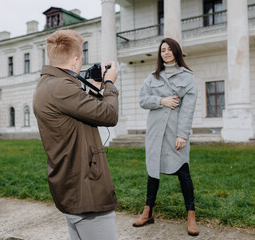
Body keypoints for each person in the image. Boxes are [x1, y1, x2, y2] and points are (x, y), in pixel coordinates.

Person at [33, 29, 119, 240]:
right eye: (81, 58)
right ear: (73, 61)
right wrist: (110, 84)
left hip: (70, 185)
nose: (81, 63)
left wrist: (93, 91)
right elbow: (109, 115)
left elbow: (76, 118)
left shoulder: (48, 84)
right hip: (87, 190)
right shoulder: (62, 87)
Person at [133, 38, 199, 236]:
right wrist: (161, 100)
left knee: (183, 173)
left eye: (170, 49)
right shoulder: (152, 77)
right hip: (155, 131)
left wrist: (183, 135)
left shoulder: (188, 77)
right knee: (153, 171)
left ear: (176, 52)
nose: (166, 53)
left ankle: (191, 215)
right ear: (159, 54)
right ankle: (148, 211)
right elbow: (142, 100)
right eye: (163, 50)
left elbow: (188, 109)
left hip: (174, 132)